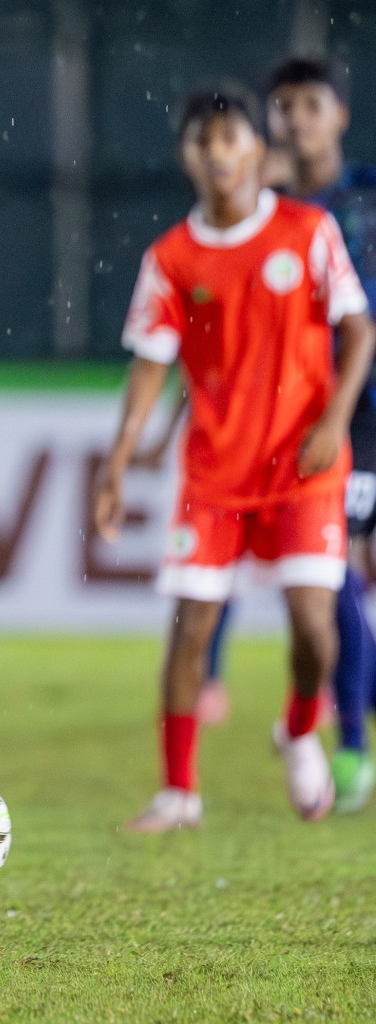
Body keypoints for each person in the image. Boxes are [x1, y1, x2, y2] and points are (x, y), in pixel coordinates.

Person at [94, 87, 374, 832]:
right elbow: (150, 367)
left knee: (314, 626)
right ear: (187, 156)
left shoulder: (308, 231)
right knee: (190, 629)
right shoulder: (170, 258)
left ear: (257, 150)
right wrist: (116, 462)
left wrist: (333, 420)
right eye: (202, 141)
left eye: (229, 138)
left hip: (305, 466)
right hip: (215, 474)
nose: (217, 152)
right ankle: (179, 791)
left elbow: (359, 331)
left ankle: (296, 727)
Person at [265, 57, 376, 811]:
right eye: (284, 105)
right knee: (328, 574)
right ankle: (344, 738)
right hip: (297, 410)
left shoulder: (366, 194)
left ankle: (350, 742)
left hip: (363, 408)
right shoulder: (263, 207)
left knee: (343, 575)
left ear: (338, 114)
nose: (296, 117)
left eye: (310, 103)